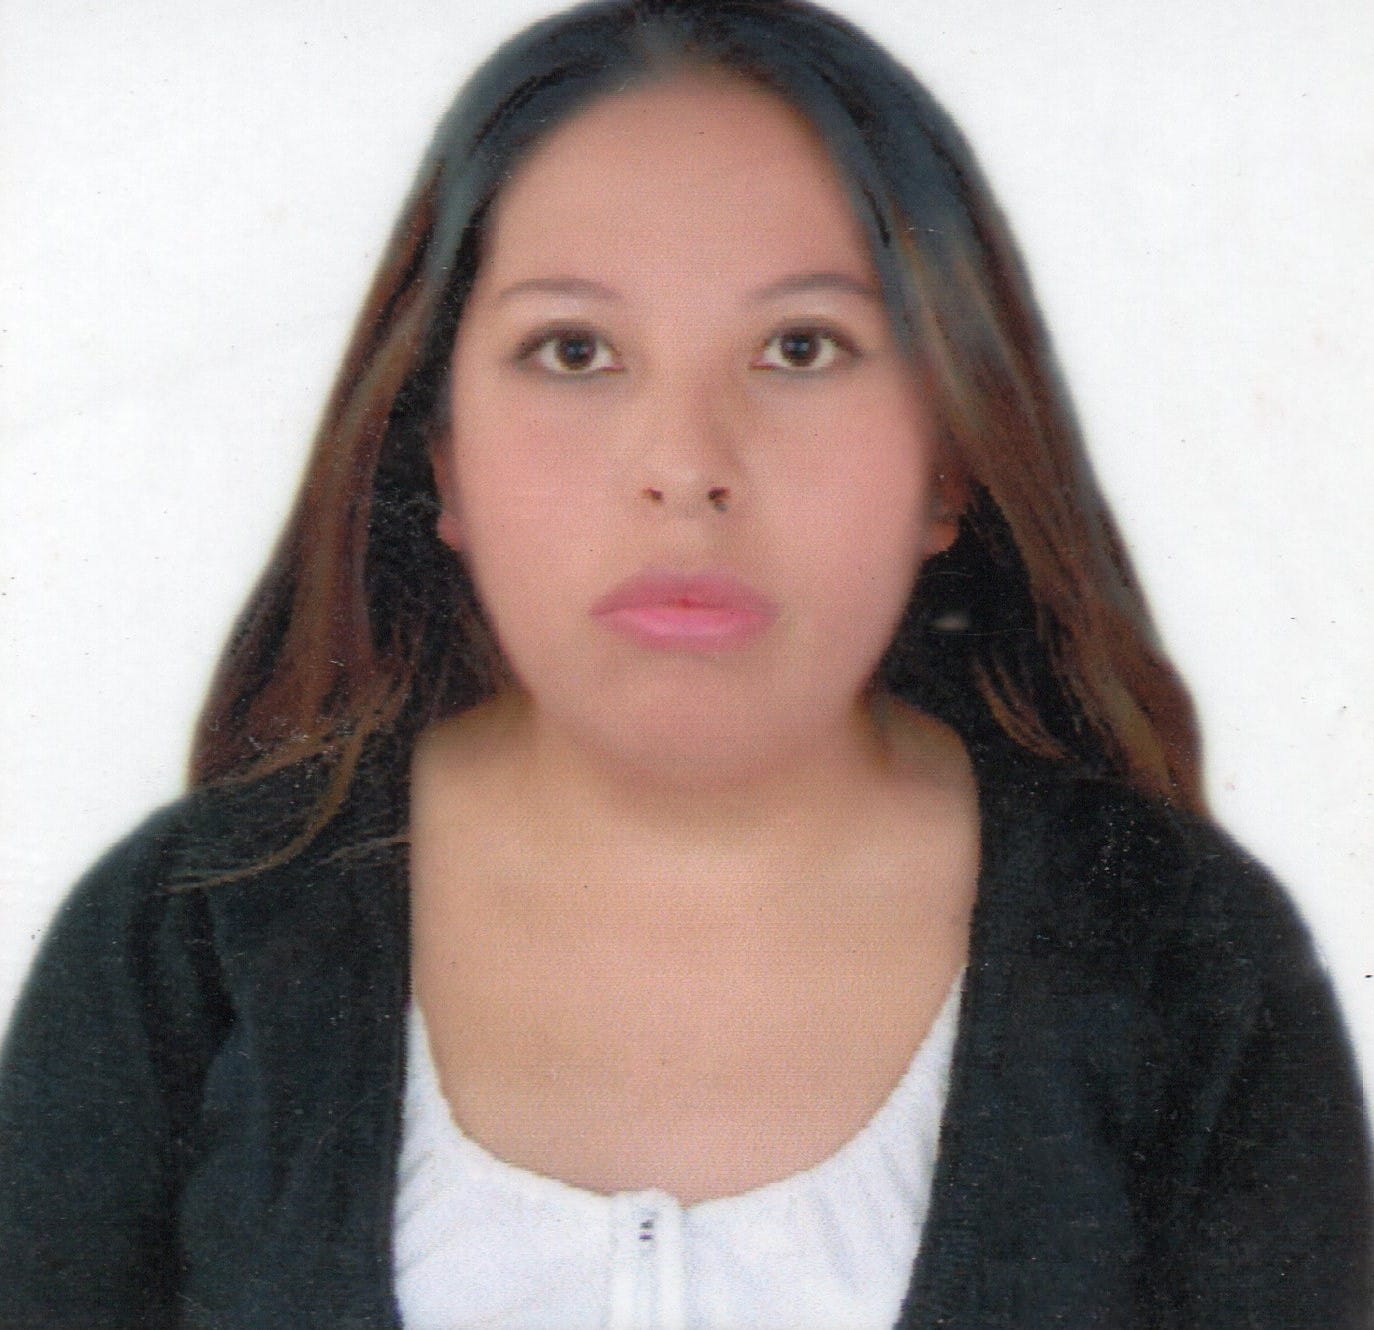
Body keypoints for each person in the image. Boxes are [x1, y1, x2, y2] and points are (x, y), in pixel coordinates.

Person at [0, 0, 1368, 1326]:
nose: (685, 466)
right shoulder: (184, 939)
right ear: (440, 457)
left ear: (951, 454)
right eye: (574, 350)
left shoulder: (1187, 958)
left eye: (800, 348)